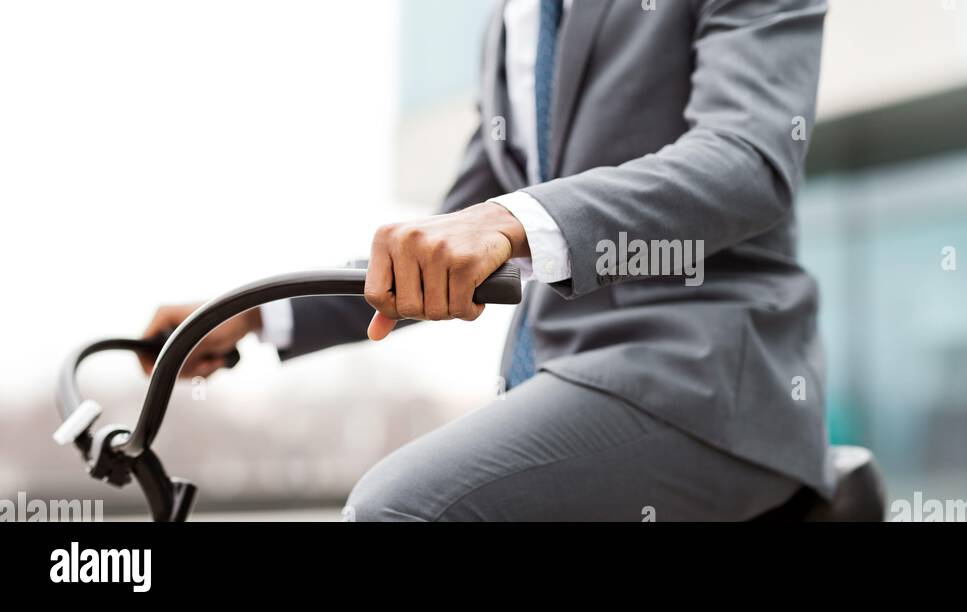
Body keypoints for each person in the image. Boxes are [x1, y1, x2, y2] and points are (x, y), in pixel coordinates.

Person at [141, 0, 834, 521]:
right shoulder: (514, 21)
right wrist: (254, 314)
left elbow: (747, 160)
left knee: (398, 511)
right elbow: (445, 234)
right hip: (558, 385)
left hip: (704, 385)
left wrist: (508, 221)